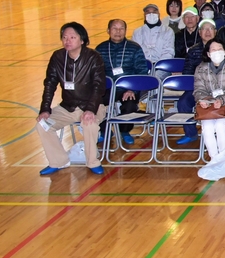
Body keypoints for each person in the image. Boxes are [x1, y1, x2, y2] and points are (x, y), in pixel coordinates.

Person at [36, 22, 108, 175]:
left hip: (93, 105)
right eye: (64, 37)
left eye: (72, 37)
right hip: (67, 107)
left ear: (82, 40)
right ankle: (58, 161)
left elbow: (99, 86)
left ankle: (92, 162)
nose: (67, 41)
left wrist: (90, 110)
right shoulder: (57, 57)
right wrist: (45, 109)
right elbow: (50, 84)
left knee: (89, 124)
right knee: (43, 125)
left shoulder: (93, 57)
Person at [95, 19, 149, 146]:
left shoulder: (135, 48)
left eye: (121, 29)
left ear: (125, 31)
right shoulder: (100, 49)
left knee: (130, 105)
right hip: (108, 88)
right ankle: (104, 131)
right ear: (108, 30)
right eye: (115, 28)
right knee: (96, 102)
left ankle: (124, 131)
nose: (118, 32)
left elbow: (142, 71)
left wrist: (132, 89)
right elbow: (95, 73)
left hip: (129, 88)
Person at [193, 39, 225, 162]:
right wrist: (203, 100)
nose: (217, 52)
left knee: (220, 124)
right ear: (208, 53)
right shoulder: (200, 68)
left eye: (219, 49)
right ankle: (214, 159)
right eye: (213, 50)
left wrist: (222, 100)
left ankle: (224, 158)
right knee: (207, 126)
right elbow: (198, 90)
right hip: (208, 108)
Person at [176, 18, 219, 144]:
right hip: (198, 88)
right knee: (183, 103)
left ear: (215, 31)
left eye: (210, 29)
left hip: (219, 89)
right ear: (199, 33)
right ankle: (191, 133)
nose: (207, 32)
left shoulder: (223, 49)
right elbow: (187, 72)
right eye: (204, 29)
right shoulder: (193, 50)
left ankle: (217, 132)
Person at [133, 3, 175, 68]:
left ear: (159, 14)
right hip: (142, 66)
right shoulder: (137, 32)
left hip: (162, 66)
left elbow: (168, 52)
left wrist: (159, 66)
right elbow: (136, 52)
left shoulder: (167, 31)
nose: (151, 14)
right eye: (148, 12)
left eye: (154, 12)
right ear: (144, 15)